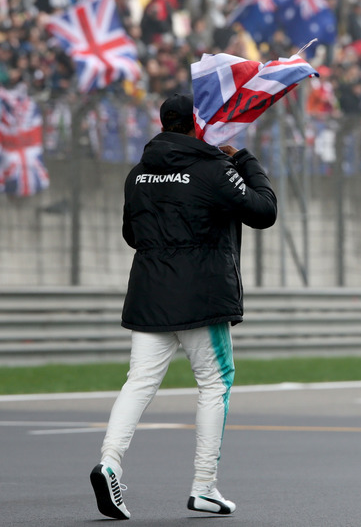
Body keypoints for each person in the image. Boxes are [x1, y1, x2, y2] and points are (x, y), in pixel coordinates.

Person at [90, 93, 278, 520]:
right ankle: (204, 486)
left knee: (138, 383)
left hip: (149, 295)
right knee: (214, 383)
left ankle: (109, 462)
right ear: (198, 124)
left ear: (164, 124)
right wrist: (246, 160)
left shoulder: (137, 174)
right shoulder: (215, 169)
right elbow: (264, 211)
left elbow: (131, 235)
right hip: (201, 298)